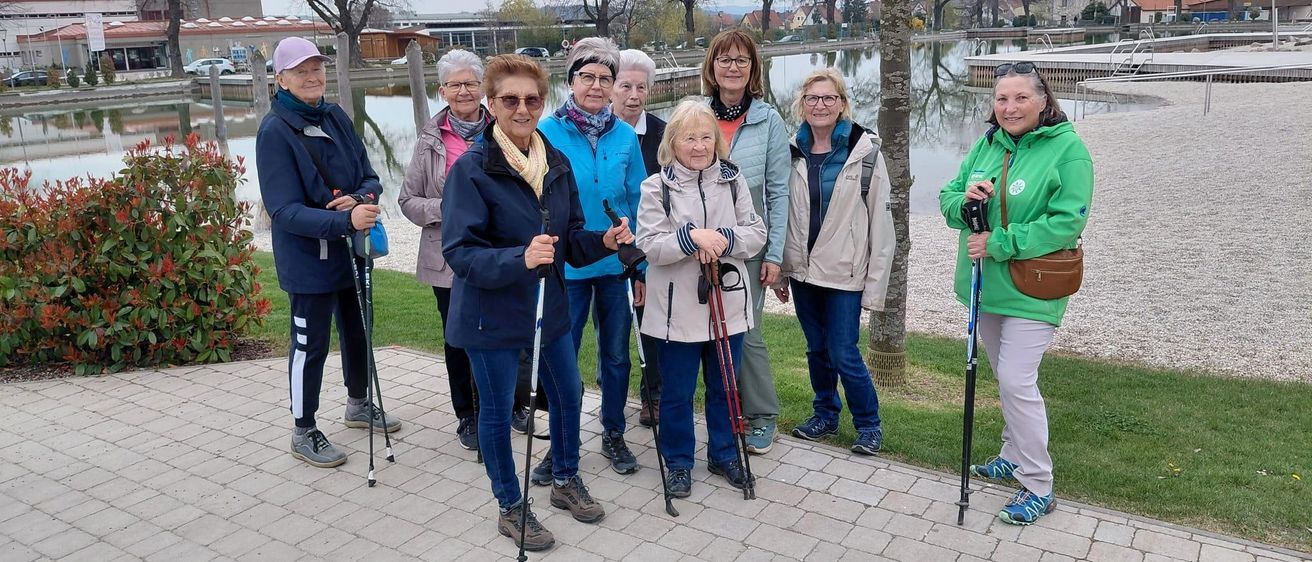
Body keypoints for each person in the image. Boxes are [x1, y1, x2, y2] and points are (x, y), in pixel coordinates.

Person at [441, 54, 634, 552]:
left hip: (549, 309)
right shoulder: (472, 169)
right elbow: (459, 253)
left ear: (542, 101)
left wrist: (605, 242)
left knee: (569, 396)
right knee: (498, 411)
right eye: (510, 99)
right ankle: (510, 505)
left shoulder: (555, 160)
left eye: (531, 99)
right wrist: (519, 258)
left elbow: (568, 238)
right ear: (492, 103)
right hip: (491, 317)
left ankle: (566, 480)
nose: (522, 108)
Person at [939, 61, 1093, 525]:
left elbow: (1068, 222)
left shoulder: (1068, 150)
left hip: (1034, 287)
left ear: (1044, 100)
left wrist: (1002, 242)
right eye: (1001, 98)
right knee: (1003, 375)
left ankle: (1038, 483)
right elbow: (946, 200)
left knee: (1015, 380)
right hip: (986, 285)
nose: (1009, 107)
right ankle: (1011, 453)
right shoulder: (987, 145)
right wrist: (967, 201)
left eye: (1020, 97)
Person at [256, 36, 402, 468]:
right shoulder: (273, 132)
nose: (312, 76)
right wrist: (343, 220)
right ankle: (303, 429)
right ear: (280, 78)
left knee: (359, 333)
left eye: (316, 67)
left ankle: (358, 404)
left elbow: (371, 176)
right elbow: (284, 211)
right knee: (310, 344)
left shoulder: (335, 115)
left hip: (351, 254)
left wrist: (359, 200)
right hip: (308, 263)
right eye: (300, 70)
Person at [399, 49, 534, 452]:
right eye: (455, 84)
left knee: (509, 332)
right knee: (459, 338)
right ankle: (468, 415)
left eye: (471, 84)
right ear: (442, 91)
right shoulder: (429, 140)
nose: (463, 91)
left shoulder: (508, 127)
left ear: (484, 90)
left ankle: (512, 405)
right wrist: (454, 207)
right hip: (449, 258)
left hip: (504, 255)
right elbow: (408, 201)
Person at [636, 100, 766, 496]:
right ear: (673, 141)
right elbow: (650, 245)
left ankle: (724, 453)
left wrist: (723, 239)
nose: (698, 146)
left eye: (706, 137)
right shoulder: (655, 186)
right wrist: (692, 238)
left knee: (726, 384)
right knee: (676, 391)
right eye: (689, 137)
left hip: (726, 301)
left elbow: (755, 233)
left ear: (717, 141)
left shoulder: (732, 179)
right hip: (677, 308)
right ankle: (678, 460)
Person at [538, 37, 648, 477]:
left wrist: (639, 263)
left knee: (616, 356)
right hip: (567, 266)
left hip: (615, 266)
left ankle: (614, 432)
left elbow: (639, 201)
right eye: (588, 76)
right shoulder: (547, 131)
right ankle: (561, 443)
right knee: (562, 356)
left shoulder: (624, 135)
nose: (597, 85)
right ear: (572, 81)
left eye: (606, 78)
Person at [776, 69, 895, 456]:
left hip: (845, 272)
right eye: (813, 98)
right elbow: (783, 212)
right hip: (804, 272)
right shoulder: (791, 150)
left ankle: (869, 425)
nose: (820, 105)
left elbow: (881, 224)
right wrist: (780, 265)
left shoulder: (865, 152)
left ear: (842, 103)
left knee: (844, 351)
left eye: (829, 98)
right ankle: (825, 413)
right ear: (802, 105)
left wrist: (875, 287)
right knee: (816, 349)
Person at [700, 29, 791, 454]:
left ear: (753, 68)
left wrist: (774, 254)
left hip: (750, 243)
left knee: (746, 327)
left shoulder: (768, 119)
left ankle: (762, 413)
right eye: (724, 59)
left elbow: (778, 190)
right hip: (701, 241)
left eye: (741, 60)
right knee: (705, 328)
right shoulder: (695, 114)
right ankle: (724, 408)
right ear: (712, 67)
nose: (732, 67)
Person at [611, 48, 667, 428]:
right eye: (625, 85)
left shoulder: (664, 134)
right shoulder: (598, 132)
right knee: (612, 328)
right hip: (605, 245)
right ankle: (610, 393)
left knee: (652, 325)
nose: (634, 95)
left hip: (650, 246)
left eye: (641, 87)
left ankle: (654, 393)